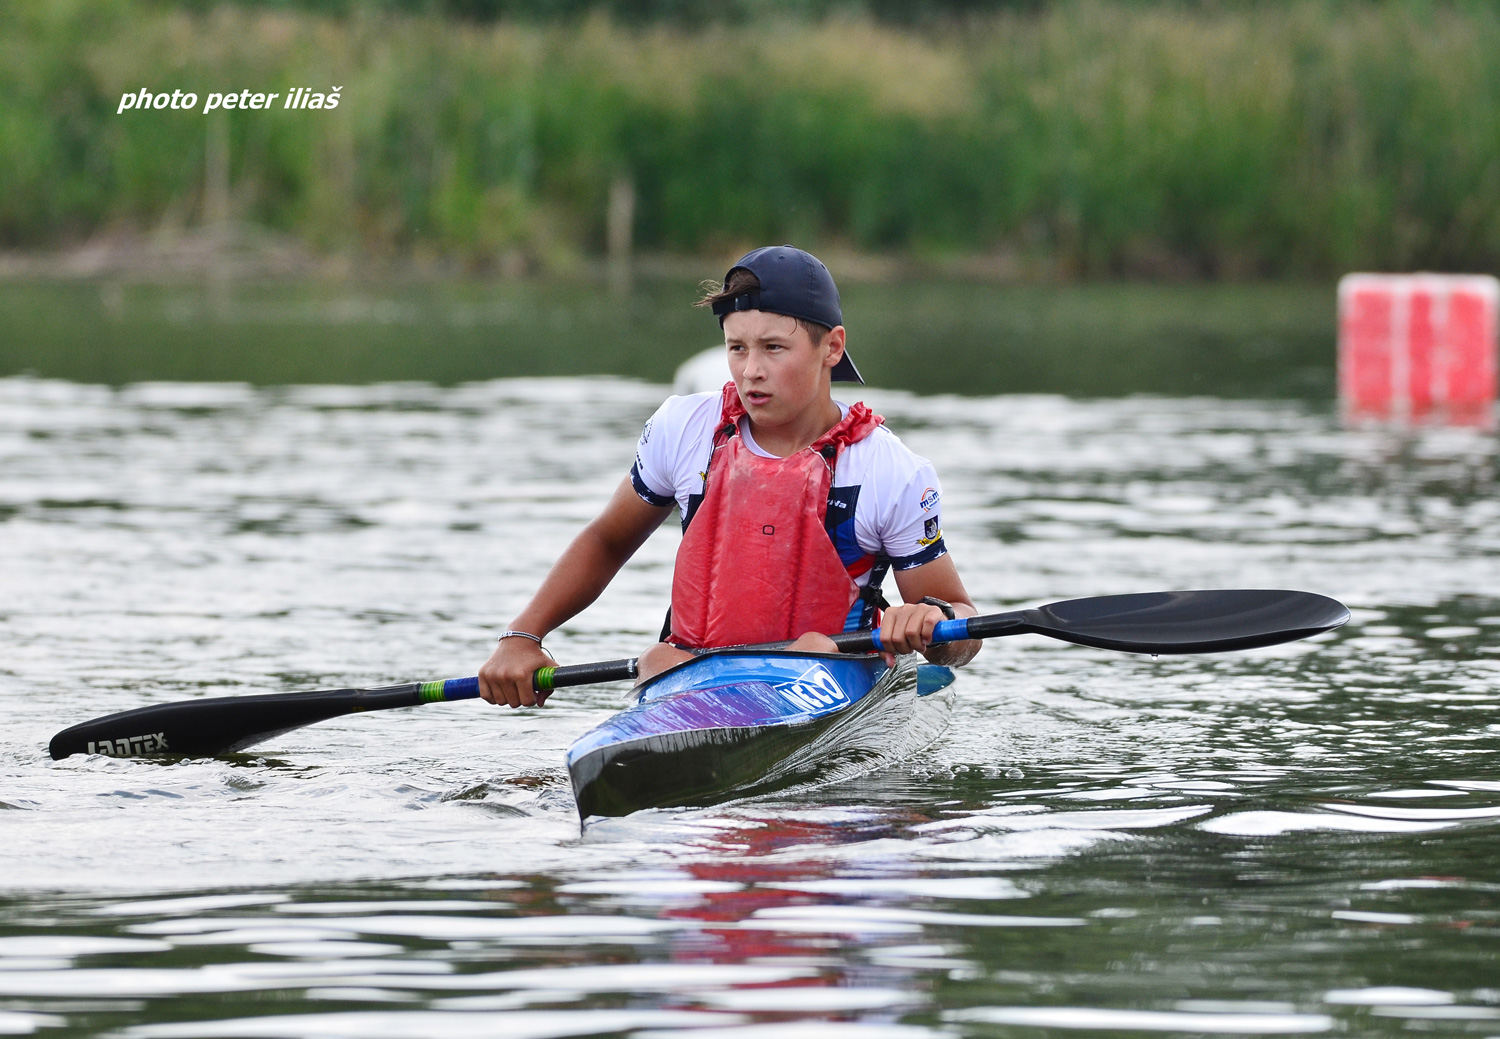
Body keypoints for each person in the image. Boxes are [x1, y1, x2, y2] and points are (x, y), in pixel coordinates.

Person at [478, 245, 981, 708]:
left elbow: (963, 628)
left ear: (832, 347)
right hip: (692, 669)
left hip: (827, 671)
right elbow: (608, 539)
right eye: (737, 348)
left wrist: (934, 618)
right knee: (660, 657)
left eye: (773, 348)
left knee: (809, 648)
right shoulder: (683, 428)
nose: (750, 371)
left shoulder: (887, 470)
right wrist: (523, 636)